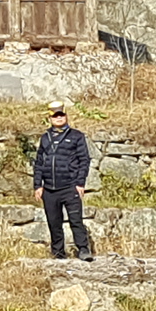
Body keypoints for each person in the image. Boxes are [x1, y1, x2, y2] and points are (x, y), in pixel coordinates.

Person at [33, 102, 94, 262]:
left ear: (66, 116)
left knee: (76, 220)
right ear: (50, 118)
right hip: (49, 189)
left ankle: (83, 250)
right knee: (54, 223)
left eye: (61, 115)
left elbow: (84, 160)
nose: (59, 118)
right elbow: (39, 163)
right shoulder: (45, 138)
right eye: (55, 116)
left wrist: (80, 183)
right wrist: (38, 185)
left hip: (70, 186)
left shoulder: (76, 136)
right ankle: (58, 254)